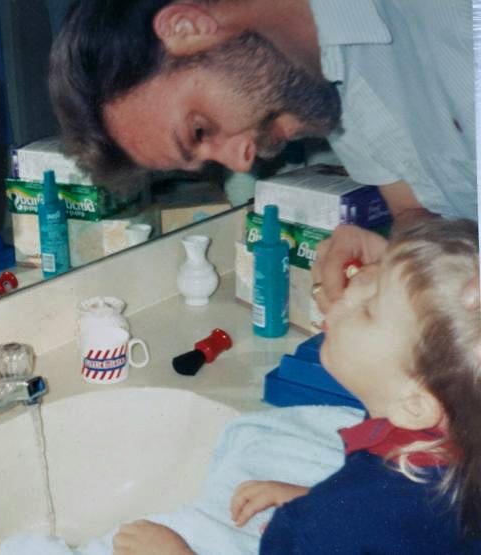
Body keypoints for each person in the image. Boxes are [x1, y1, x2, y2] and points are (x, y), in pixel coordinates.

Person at [48, 0, 475, 310]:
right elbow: (415, 209)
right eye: (207, 158)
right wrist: (402, 256)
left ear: (186, 25)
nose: (241, 162)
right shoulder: (315, 78)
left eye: (200, 129)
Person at [113, 218, 481, 554]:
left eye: (369, 309)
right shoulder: (451, 449)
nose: (346, 294)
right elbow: (410, 530)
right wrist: (321, 501)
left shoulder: (320, 528)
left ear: (414, 404)